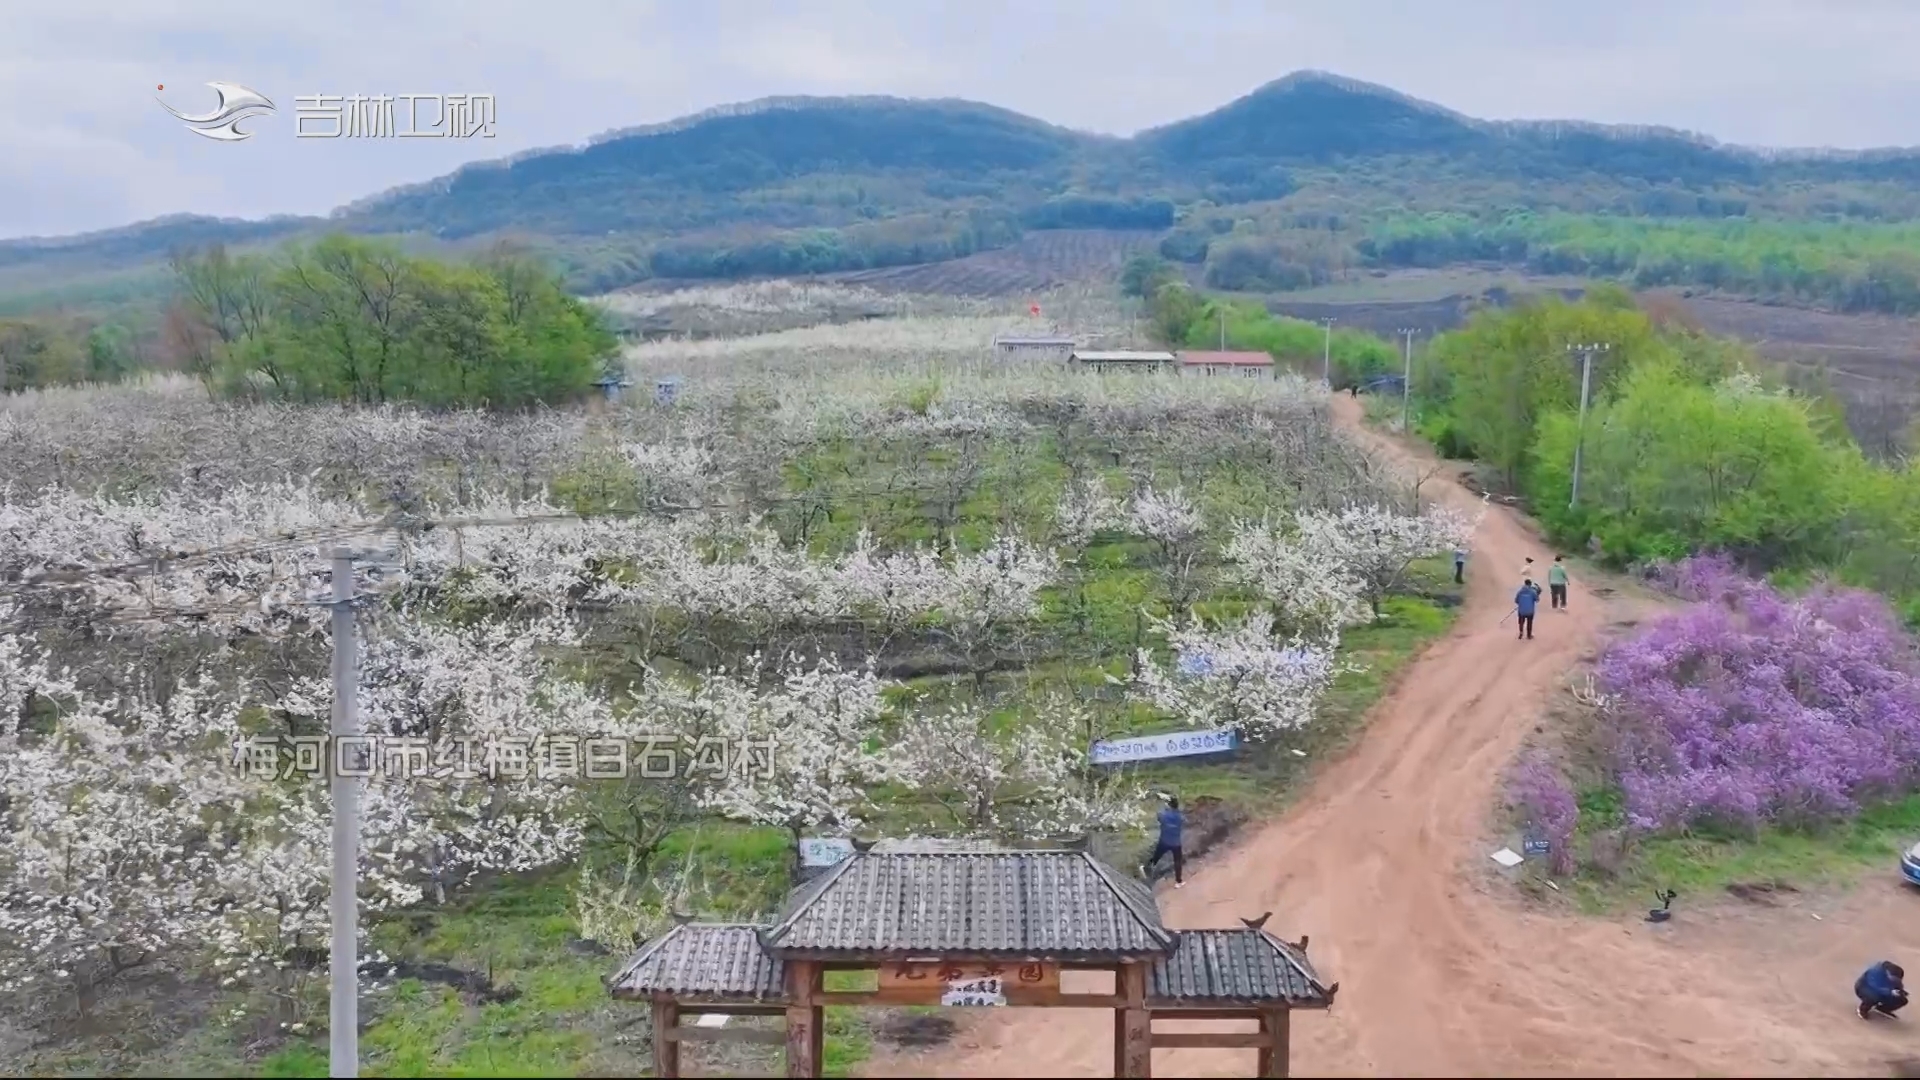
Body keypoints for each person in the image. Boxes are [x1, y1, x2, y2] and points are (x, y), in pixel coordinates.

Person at [1143, 796, 1185, 888]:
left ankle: (1146, 869)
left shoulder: (1163, 814)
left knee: (1156, 857)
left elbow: (1159, 817)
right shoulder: (1180, 817)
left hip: (1164, 842)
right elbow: (1183, 821)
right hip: (1176, 843)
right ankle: (1178, 882)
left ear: (1169, 805)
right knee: (1178, 862)